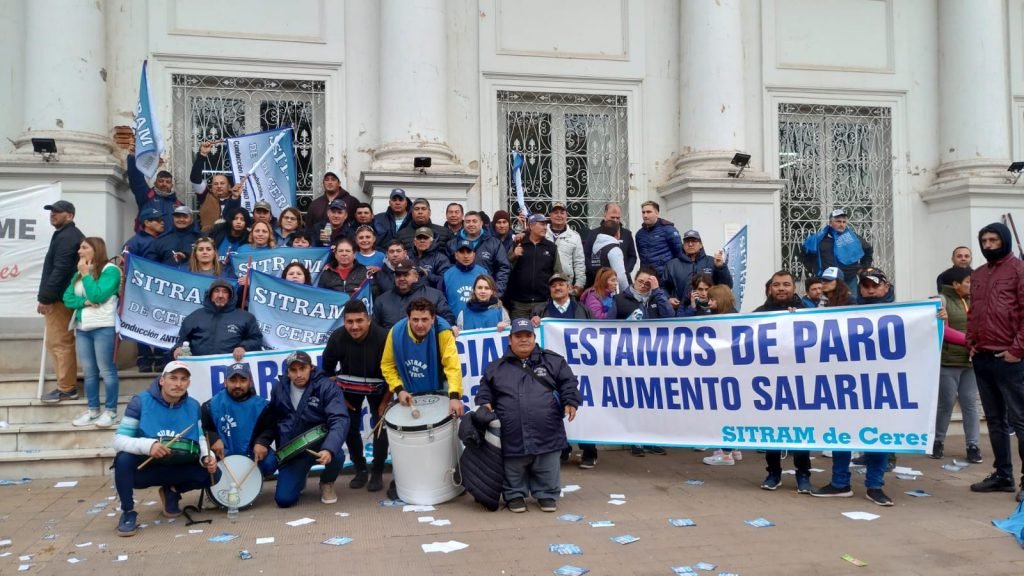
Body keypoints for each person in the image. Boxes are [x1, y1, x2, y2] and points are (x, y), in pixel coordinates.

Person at [476, 317, 579, 513]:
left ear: (534, 337)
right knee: (513, 467)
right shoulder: (495, 367)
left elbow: (569, 383)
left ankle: (547, 494)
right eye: (518, 336)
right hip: (511, 433)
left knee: (547, 463)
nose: (523, 340)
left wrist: (571, 401)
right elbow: (485, 390)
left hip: (547, 430)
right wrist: (485, 405)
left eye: (528, 335)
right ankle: (514, 495)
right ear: (510, 339)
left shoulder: (553, 360)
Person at [811, 267, 895, 506]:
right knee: (841, 431)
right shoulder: (849, 309)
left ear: (885, 287)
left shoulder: (903, 313)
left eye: (874, 285)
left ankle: (875, 486)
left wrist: (936, 317)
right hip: (847, 382)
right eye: (865, 285)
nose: (869, 289)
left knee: (878, 435)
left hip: (880, 384)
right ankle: (840, 483)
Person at [112, 361, 219, 536]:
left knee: (214, 473)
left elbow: (199, 437)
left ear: (188, 383)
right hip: (146, 467)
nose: (178, 384)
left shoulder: (193, 405)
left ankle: (172, 491)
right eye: (173, 378)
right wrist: (148, 446)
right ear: (162, 380)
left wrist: (207, 456)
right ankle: (128, 512)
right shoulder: (140, 402)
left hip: (178, 463)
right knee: (123, 459)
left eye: (183, 379)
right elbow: (118, 440)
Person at [967, 223, 1024, 502]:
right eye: (984, 240)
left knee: (1020, 420)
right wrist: (971, 343)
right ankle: (1003, 475)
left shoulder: (1019, 270)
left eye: (993, 239)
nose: (988, 245)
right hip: (983, 356)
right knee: (994, 420)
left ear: (1005, 240)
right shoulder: (977, 274)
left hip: (1010, 358)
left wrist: (1018, 349)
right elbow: (973, 313)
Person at [252, 351, 349, 507]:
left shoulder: (327, 387)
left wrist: (329, 449)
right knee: (284, 501)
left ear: (311, 368)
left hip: (320, 446)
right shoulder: (278, 389)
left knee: (337, 455)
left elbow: (339, 419)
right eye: (293, 370)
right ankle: (300, 476)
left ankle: (327, 482)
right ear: (288, 373)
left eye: (302, 368)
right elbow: (272, 420)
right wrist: (262, 441)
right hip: (293, 452)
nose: (298, 374)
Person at [753, 270, 813, 492]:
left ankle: (803, 475)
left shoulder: (807, 312)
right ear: (770, 288)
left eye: (786, 284)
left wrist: (800, 320)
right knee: (772, 431)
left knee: (800, 432)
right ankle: (773, 473)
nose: (781, 288)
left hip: (800, 383)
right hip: (770, 383)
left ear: (793, 288)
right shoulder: (758, 314)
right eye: (777, 284)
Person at [322, 300, 391, 492]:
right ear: (344, 322)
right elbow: (325, 372)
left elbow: (396, 373)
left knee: (380, 427)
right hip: (349, 389)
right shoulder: (337, 338)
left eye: (359, 320)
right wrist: (339, 397)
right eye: (349, 322)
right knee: (349, 427)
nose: (354, 326)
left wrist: (385, 401)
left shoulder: (384, 337)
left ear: (368, 320)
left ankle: (377, 471)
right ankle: (360, 469)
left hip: (380, 387)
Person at [64, 237, 121, 427]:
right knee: (89, 371)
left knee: (107, 370)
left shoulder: (111, 271)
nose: (80, 251)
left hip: (104, 326)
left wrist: (86, 275)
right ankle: (93, 410)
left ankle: (111, 411)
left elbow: (98, 295)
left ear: (96, 250)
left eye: (84, 247)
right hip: (83, 328)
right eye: (80, 248)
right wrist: (84, 302)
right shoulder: (79, 273)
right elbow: (67, 298)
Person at [38, 200, 86, 403]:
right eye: (51, 211)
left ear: (70, 215)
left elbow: (61, 269)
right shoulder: (65, 235)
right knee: (59, 342)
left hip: (59, 298)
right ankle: (67, 384)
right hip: (61, 296)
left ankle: (66, 388)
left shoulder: (67, 237)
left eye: (58, 212)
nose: (53, 214)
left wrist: (46, 298)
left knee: (59, 342)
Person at [933, 266, 981, 463]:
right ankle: (937, 442)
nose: (971, 286)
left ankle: (973, 445)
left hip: (971, 362)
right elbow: (942, 330)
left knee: (970, 404)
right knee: (946, 404)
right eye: (968, 282)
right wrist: (970, 341)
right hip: (948, 362)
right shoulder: (940, 301)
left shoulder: (976, 301)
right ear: (955, 285)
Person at [200, 362, 276, 478]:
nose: (238, 385)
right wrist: (213, 438)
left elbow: (269, 428)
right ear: (225, 382)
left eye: (243, 380)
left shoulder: (263, 406)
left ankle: (250, 481)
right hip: (222, 455)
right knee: (203, 457)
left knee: (270, 462)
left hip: (250, 453)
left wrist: (262, 442)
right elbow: (203, 428)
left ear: (250, 382)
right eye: (233, 380)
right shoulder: (210, 406)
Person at [172, 279, 263, 360]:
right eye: (216, 291)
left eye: (225, 292)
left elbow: (256, 340)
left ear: (230, 296)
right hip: (198, 370)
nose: (220, 295)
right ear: (210, 295)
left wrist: (243, 347)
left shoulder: (245, 317)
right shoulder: (195, 316)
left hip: (232, 373)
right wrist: (178, 348)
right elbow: (182, 340)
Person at [801, 208, 873, 294]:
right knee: (829, 305)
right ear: (830, 223)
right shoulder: (819, 239)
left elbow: (868, 249)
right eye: (838, 221)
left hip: (849, 279)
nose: (841, 224)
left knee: (851, 305)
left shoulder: (853, 238)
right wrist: (814, 269)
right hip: (828, 280)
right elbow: (805, 253)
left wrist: (863, 268)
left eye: (844, 222)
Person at [373, 259, 455, 329]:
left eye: (406, 275)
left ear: (416, 277)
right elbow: (375, 329)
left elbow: (447, 319)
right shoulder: (382, 300)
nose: (401, 278)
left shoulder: (435, 295)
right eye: (398, 275)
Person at [664, 229, 732, 312]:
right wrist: (668, 299)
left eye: (694, 241)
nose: (690, 244)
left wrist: (721, 267)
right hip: (682, 312)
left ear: (700, 245)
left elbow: (727, 286)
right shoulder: (672, 265)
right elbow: (663, 287)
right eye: (687, 242)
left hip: (709, 311)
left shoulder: (712, 262)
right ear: (683, 245)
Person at [508, 214, 561, 319]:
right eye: (542, 224)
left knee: (543, 335)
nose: (545, 227)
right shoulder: (518, 243)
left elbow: (557, 272)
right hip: (519, 304)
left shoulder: (551, 247)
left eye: (546, 225)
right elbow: (506, 267)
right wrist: (514, 255)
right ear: (531, 226)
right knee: (519, 334)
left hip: (543, 302)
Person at [446, 211, 511, 296]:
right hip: (459, 292)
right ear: (463, 224)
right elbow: (447, 268)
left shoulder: (494, 243)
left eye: (474, 221)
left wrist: (496, 292)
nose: (471, 224)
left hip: (485, 293)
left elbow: (503, 268)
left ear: (481, 224)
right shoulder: (452, 244)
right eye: (468, 221)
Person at [126, 142, 182, 232]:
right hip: (150, 243)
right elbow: (136, 179)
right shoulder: (146, 196)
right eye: (161, 181)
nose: (164, 184)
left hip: (169, 244)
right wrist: (132, 157)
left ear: (172, 185)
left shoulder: (178, 205)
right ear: (155, 183)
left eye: (167, 182)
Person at [190, 141, 242, 233]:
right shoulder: (205, 195)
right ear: (211, 186)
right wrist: (202, 155)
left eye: (222, 183)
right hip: (209, 239)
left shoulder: (237, 198)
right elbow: (195, 178)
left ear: (229, 186)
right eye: (215, 184)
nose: (219, 186)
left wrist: (235, 198)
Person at [583, 202, 638, 282]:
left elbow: (632, 256)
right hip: (598, 280)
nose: (615, 220)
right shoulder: (593, 234)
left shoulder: (626, 234)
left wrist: (625, 270)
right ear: (605, 215)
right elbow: (586, 256)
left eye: (617, 218)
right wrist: (596, 272)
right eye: (612, 217)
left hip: (621, 279)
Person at [634, 200, 684, 277]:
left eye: (648, 212)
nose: (645, 215)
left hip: (665, 277)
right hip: (647, 277)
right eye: (643, 212)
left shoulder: (669, 230)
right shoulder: (639, 234)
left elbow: (679, 253)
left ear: (657, 213)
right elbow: (642, 258)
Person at [441, 240, 488, 321]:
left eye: (469, 252)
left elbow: (491, 300)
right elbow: (441, 303)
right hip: (455, 326)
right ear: (456, 255)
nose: (465, 256)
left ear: (474, 254)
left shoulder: (483, 273)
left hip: (480, 324)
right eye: (462, 252)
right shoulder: (447, 275)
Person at [545, 202, 586, 295]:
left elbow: (579, 262)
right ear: (550, 215)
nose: (559, 215)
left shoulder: (574, 236)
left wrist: (579, 285)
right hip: (543, 284)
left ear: (566, 216)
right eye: (555, 213)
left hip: (565, 284)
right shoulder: (542, 233)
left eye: (562, 213)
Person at [587, 220, 630, 292]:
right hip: (611, 293)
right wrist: (627, 293)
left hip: (598, 290)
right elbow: (620, 277)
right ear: (617, 233)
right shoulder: (614, 250)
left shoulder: (596, 248)